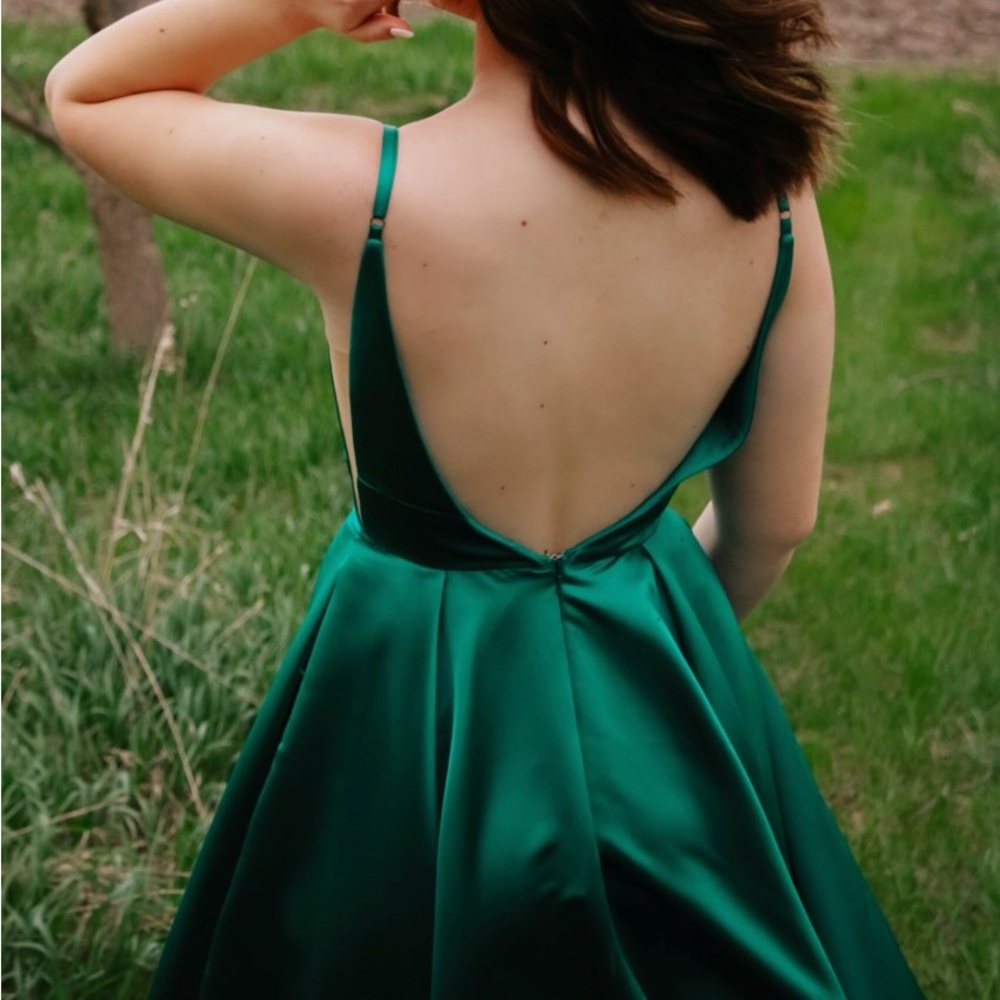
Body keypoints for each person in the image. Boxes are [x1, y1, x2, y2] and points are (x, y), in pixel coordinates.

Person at [46, 0, 926, 996]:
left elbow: (87, 91)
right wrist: (640, 680)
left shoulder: (369, 196)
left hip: (404, 691)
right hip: (650, 687)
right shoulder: (768, 191)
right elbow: (774, 523)